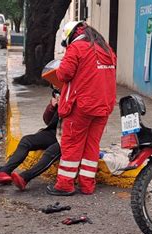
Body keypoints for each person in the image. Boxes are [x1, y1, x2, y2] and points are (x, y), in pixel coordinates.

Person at [46, 21, 117, 196]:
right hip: (103, 107)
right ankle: (87, 186)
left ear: (71, 35)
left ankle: (64, 185)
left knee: (72, 145)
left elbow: (64, 74)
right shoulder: (106, 49)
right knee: (92, 146)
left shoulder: (76, 47)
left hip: (81, 107)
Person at [0, 94, 61, 191]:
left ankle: (25, 177)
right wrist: (52, 107)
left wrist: (65, 105)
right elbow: (47, 121)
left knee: (50, 152)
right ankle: (4, 171)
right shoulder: (61, 93)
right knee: (26, 141)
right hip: (56, 131)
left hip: (73, 137)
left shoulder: (78, 93)